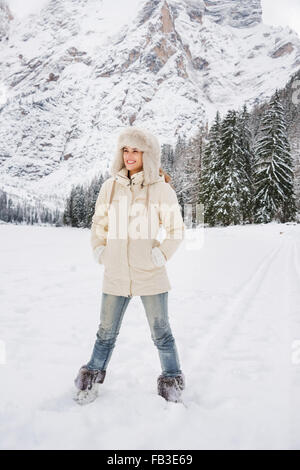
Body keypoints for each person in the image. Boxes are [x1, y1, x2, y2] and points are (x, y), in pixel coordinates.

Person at [73, 126, 186, 405]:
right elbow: (99, 224)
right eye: (126, 149)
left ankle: (172, 380)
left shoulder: (161, 189)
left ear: (147, 154)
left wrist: (161, 254)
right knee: (105, 333)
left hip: (150, 273)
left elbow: (176, 229)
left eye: (136, 150)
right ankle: (91, 381)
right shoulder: (110, 187)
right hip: (116, 273)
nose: (130, 155)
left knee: (161, 332)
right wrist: (100, 249)